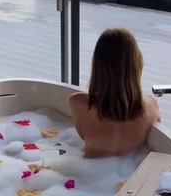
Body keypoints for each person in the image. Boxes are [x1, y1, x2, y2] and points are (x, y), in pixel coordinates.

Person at [69, 28, 161, 158]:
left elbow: (83, 135)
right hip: (132, 168)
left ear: (97, 65)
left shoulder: (78, 103)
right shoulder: (151, 106)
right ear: (137, 63)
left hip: (89, 168)